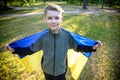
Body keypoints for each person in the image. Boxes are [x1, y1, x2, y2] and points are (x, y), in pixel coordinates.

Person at [5, 4, 102, 80]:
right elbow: (29, 50)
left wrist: (92, 48)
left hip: (61, 71)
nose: (53, 21)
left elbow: (79, 47)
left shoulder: (67, 36)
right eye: (50, 18)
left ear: (61, 20)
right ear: (45, 20)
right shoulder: (43, 37)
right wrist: (14, 49)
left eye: (56, 18)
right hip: (47, 70)